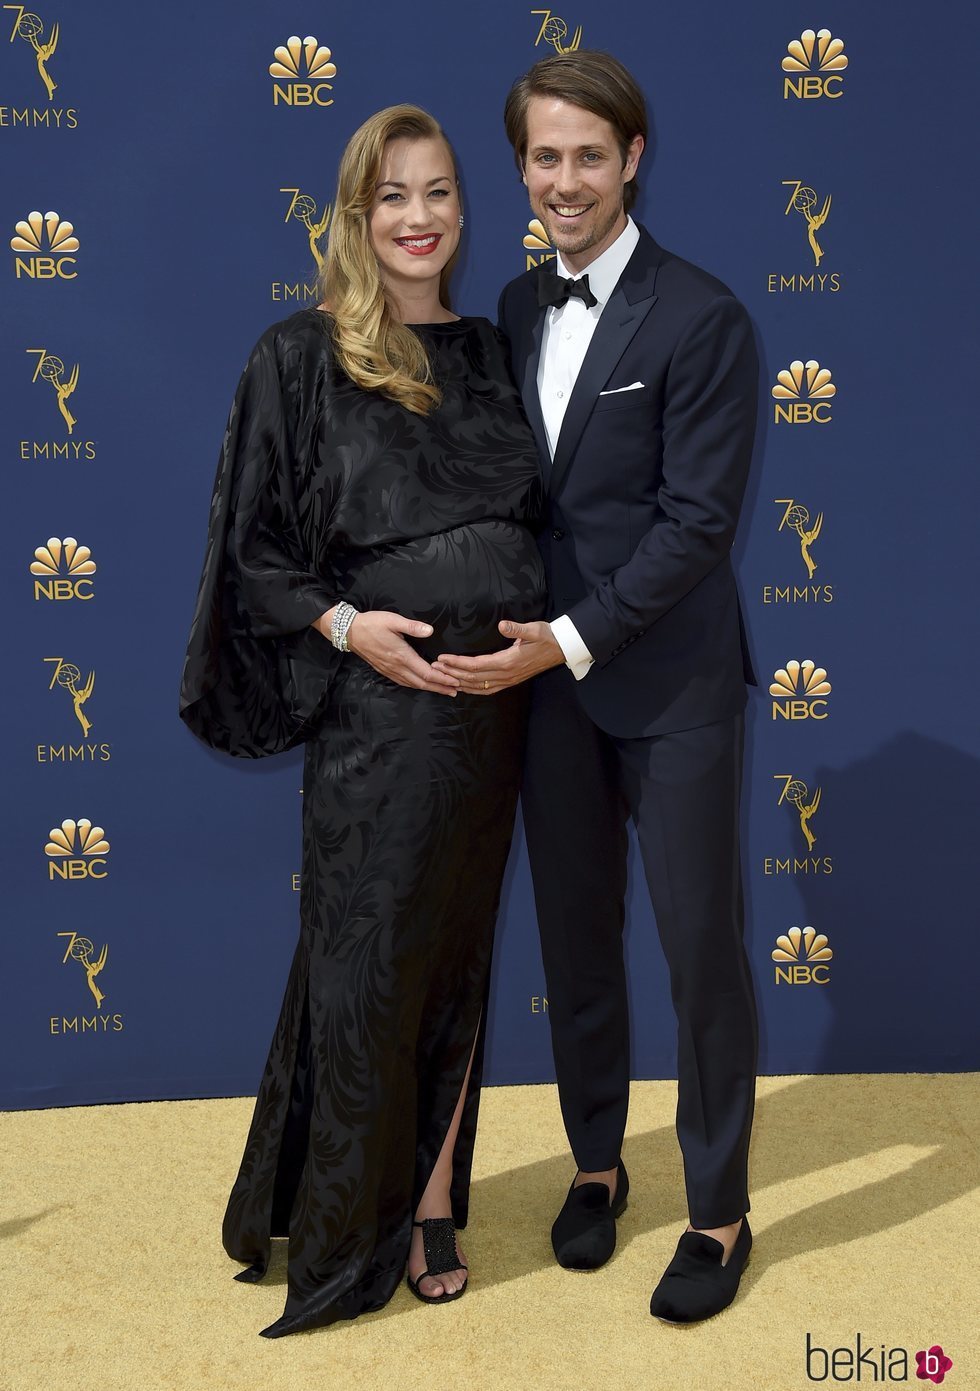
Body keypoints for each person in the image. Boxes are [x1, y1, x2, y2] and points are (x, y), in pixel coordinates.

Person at [179, 104, 546, 1338]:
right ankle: (343, 1227)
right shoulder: (301, 354)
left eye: (438, 192)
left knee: (455, 957)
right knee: (364, 962)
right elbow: (255, 548)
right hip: (378, 723)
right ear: (353, 214)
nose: (418, 217)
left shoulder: (493, 351)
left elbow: (541, 519)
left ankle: (433, 1196)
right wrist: (351, 629)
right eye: (391, 195)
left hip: (491, 717)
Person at [434, 52, 760, 1322]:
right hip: (546, 690)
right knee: (574, 944)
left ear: (631, 159)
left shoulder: (705, 315)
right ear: (519, 166)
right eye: (541, 156)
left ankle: (719, 1214)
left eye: (586, 155)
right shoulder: (512, 307)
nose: (562, 179)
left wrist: (564, 637)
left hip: (667, 685)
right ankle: (593, 1164)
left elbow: (693, 529)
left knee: (695, 955)